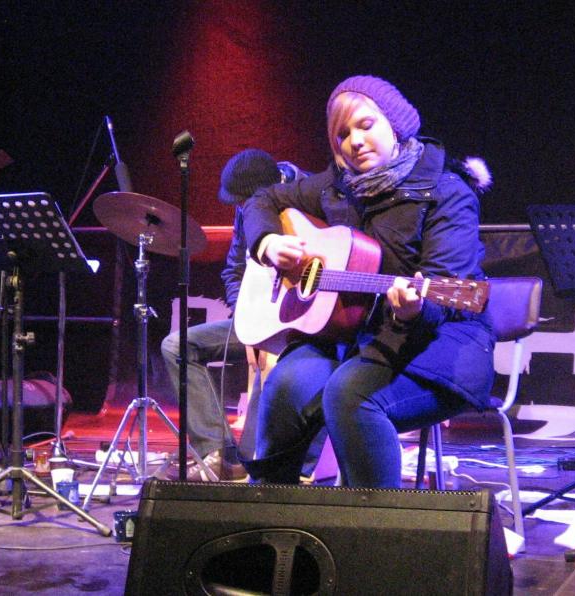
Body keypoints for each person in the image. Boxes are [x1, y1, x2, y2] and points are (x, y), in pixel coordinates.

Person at [240, 75, 495, 488]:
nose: (354, 141)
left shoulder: (446, 191)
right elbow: (262, 200)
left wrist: (414, 309)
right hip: (354, 338)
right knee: (286, 384)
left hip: (439, 345)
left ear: (395, 126)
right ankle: (270, 512)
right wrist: (267, 243)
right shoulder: (337, 187)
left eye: (365, 125)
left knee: (350, 394)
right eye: (342, 134)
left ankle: (371, 519)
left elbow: (446, 289)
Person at [161, 148, 285, 481]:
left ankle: (248, 462)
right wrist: (248, 322)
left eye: (244, 203)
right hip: (256, 320)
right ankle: (216, 452)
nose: (240, 209)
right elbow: (233, 270)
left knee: (270, 365)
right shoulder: (247, 209)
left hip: (294, 327)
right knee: (176, 346)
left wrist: (265, 331)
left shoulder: (304, 197)